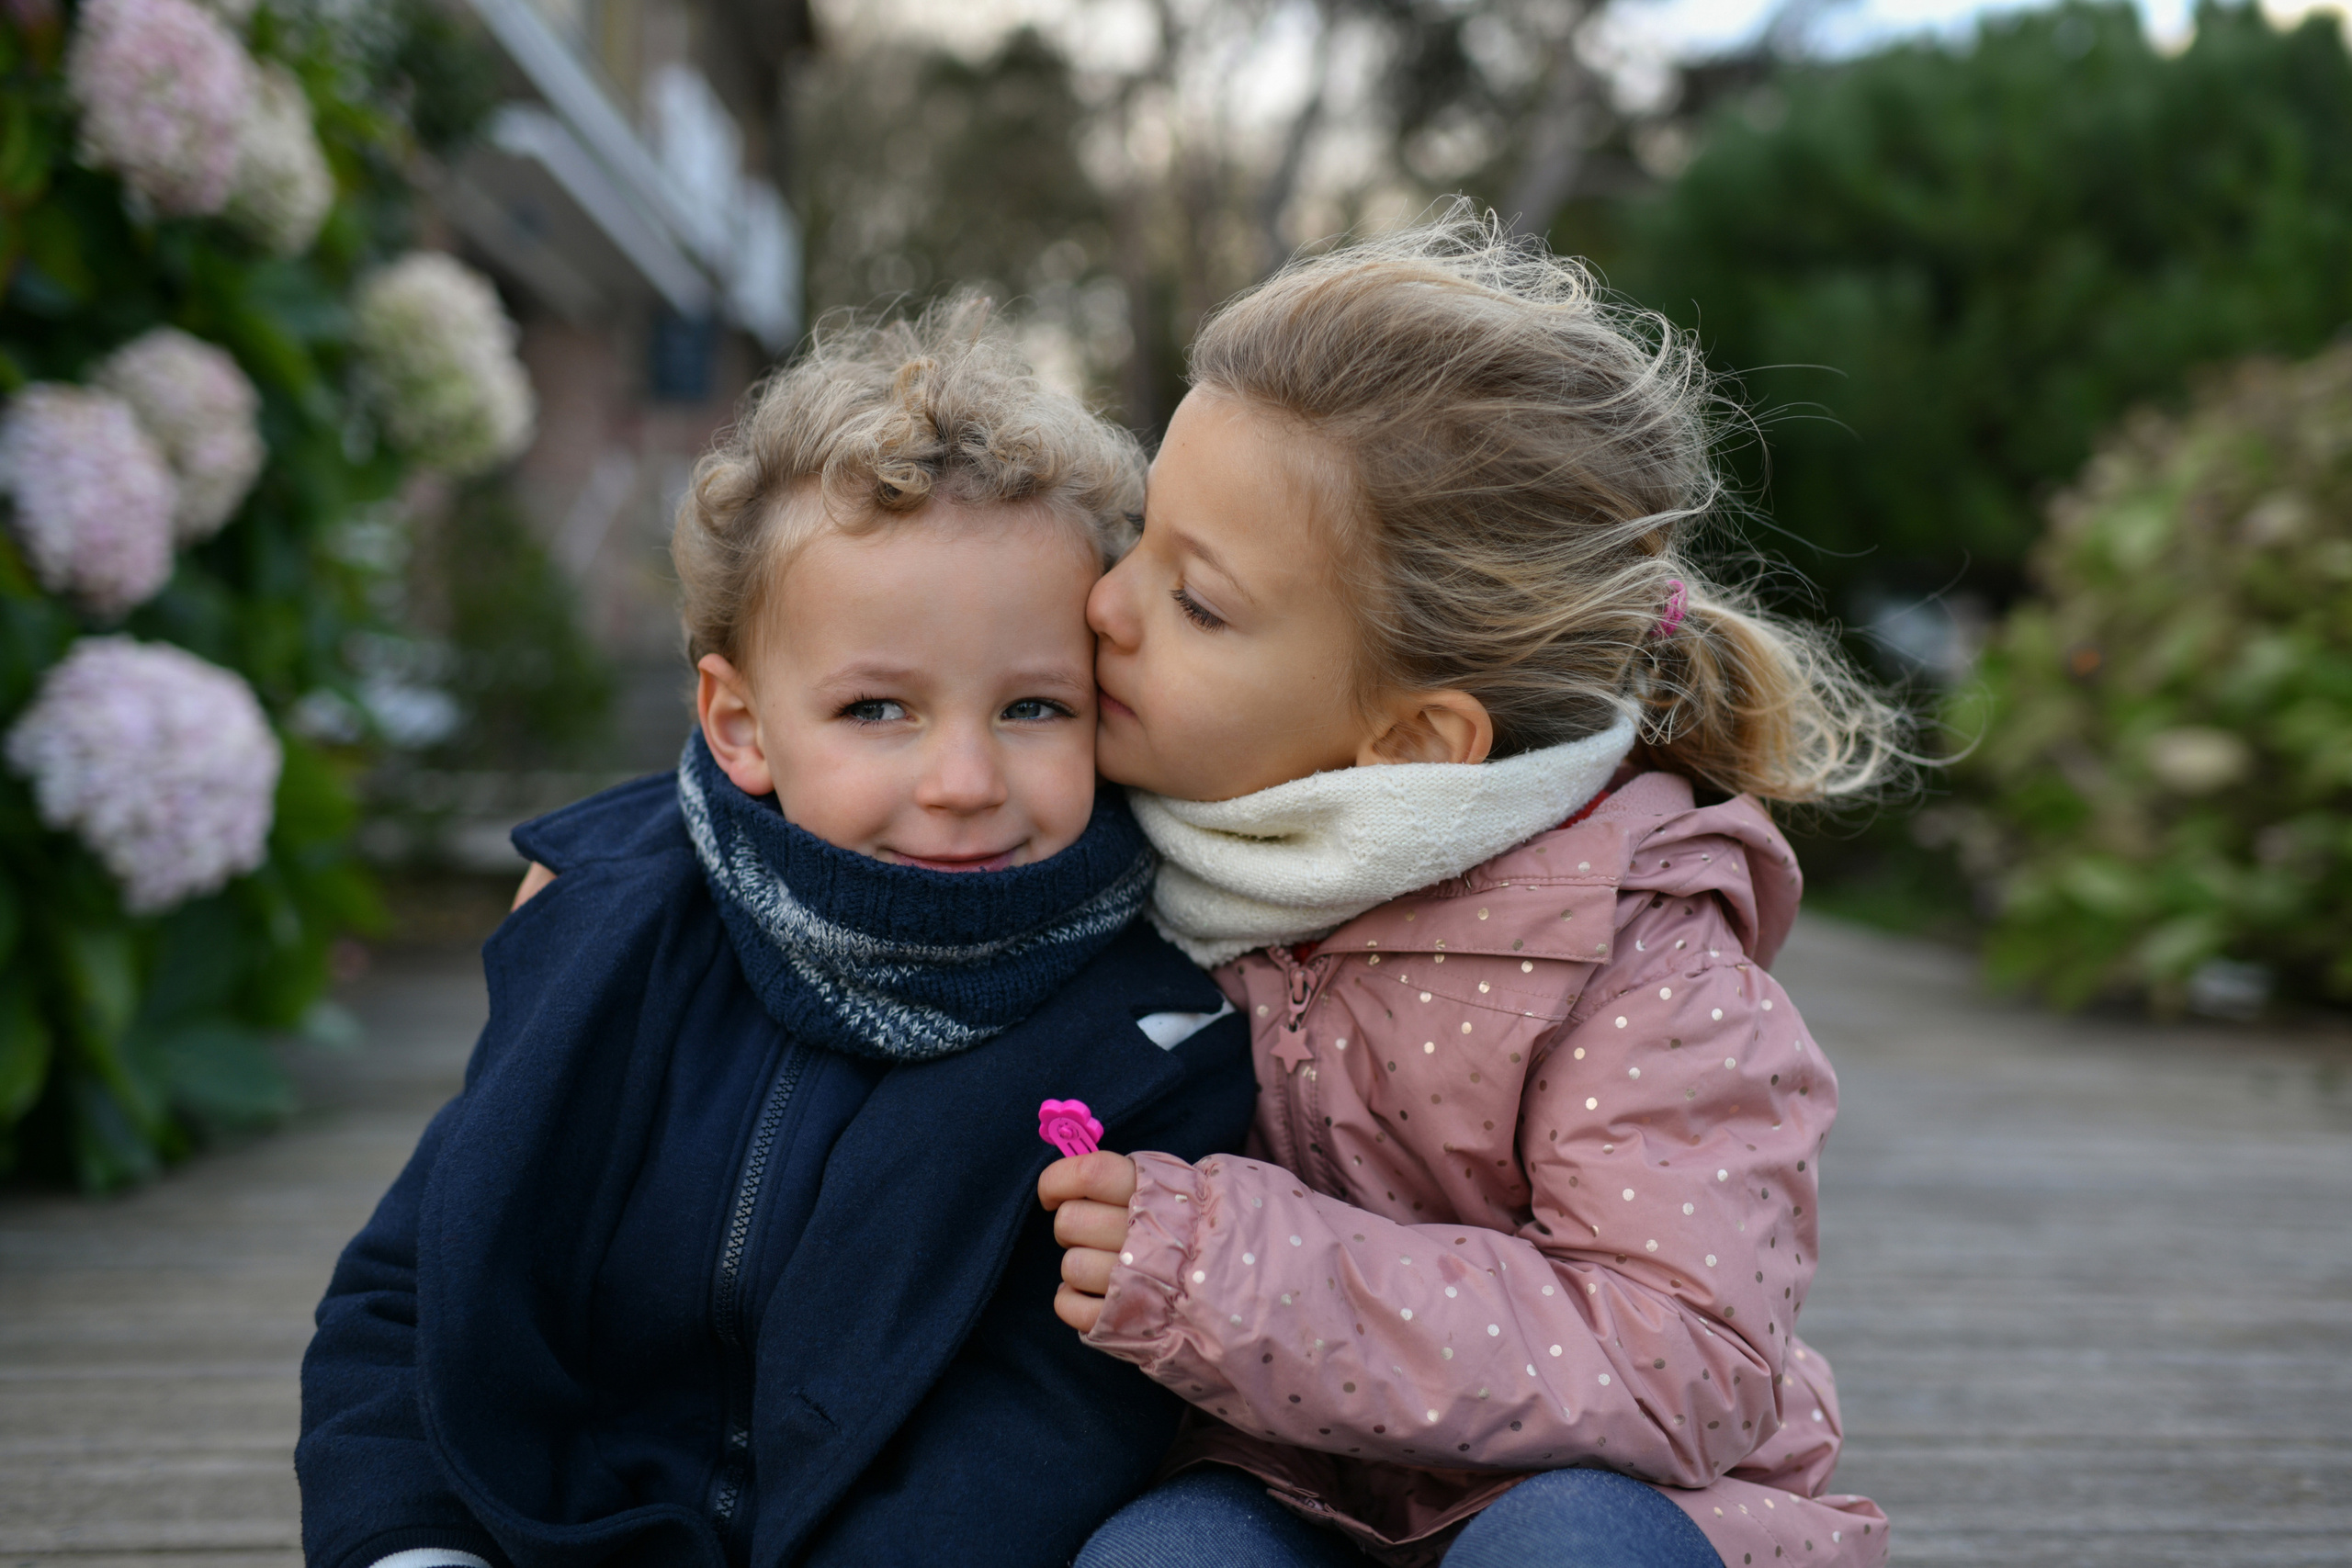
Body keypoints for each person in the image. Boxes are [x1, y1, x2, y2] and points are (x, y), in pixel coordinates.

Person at [296, 302, 1256, 1568]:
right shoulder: (605, 932)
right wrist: (410, 1546)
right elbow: (414, 1294)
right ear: (741, 724)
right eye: (877, 709)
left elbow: (1056, 1420)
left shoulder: (1151, 1034)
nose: (965, 778)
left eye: (1032, 705)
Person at [1039, 208, 1899, 1568]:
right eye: (1141, 534)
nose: (1105, 605)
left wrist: (1228, 1271)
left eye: (1196, 601)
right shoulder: (1096, 845)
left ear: (1413, 741)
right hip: (1273, 1480)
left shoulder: (1642, 960)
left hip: (1593, 1492)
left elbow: (1689, 1354)